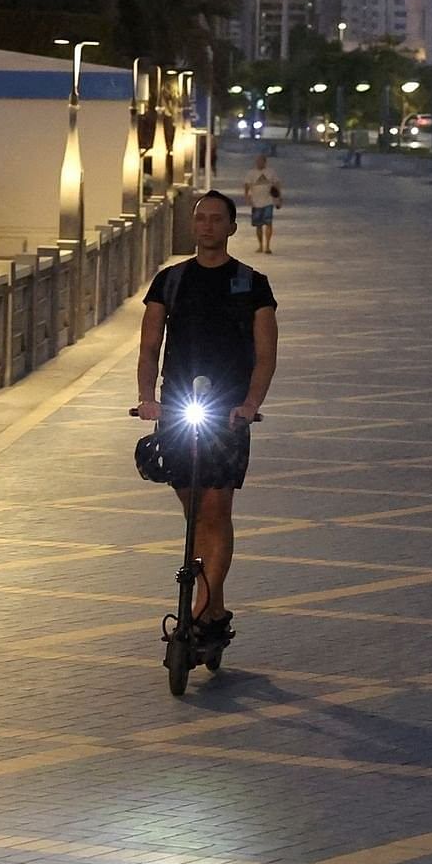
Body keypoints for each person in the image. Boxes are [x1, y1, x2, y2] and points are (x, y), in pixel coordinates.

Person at [131, 190, 277, 656]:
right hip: (176, 408)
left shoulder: (253, 284)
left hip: (227, 414)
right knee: (193, 509)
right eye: (201, 219)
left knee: (216, 512)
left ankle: (200, 609)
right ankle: (214, 610)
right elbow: (149, 347)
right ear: (193, 226)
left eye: (218, 219)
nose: (209, 226)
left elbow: (266, 355)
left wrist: (251, 404)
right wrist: (146, 399)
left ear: (233, 227)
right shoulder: (170, 281)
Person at [241, 154, 284, 253]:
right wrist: (247, 196)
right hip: (256, 203)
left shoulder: (271, 172)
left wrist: (279, 197)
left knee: (269, 223)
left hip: (268, 201)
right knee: (258, 225)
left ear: (265, 162)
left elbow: (277, 184)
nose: (259, 163)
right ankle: (260, 245)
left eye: (261, 161)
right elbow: (246, 185)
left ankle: (267, 246)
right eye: (258, 161)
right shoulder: (251, 173)